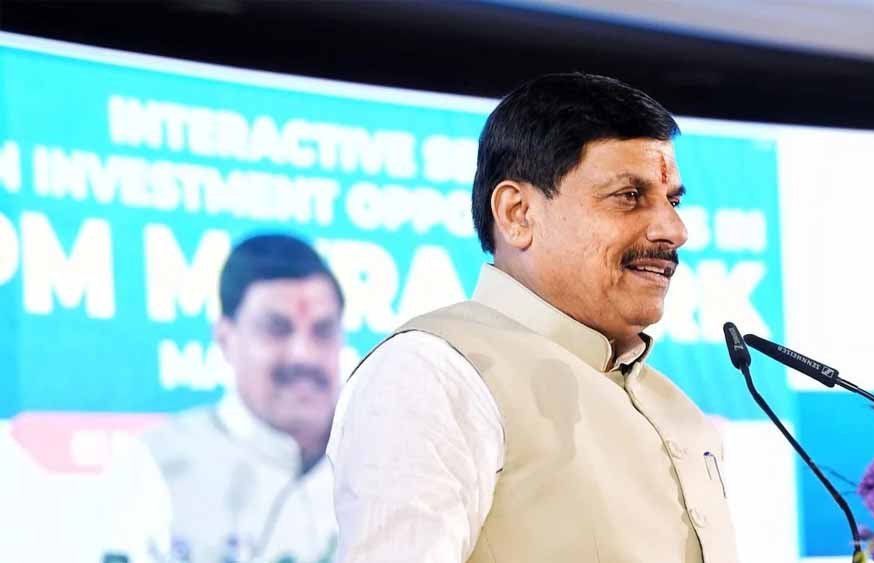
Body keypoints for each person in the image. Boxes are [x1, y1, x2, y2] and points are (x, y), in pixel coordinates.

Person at [328, 73, 739, 562]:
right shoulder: (432, 372)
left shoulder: (677, 408)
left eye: (672, 201)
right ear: (517, 213)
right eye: (629, 196)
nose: (675, 229)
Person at [113, 233, 344, 562]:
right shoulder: (154, 467)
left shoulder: (389, 460)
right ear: (225, 339)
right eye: (277, 329)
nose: (303, 355)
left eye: (323, 330)